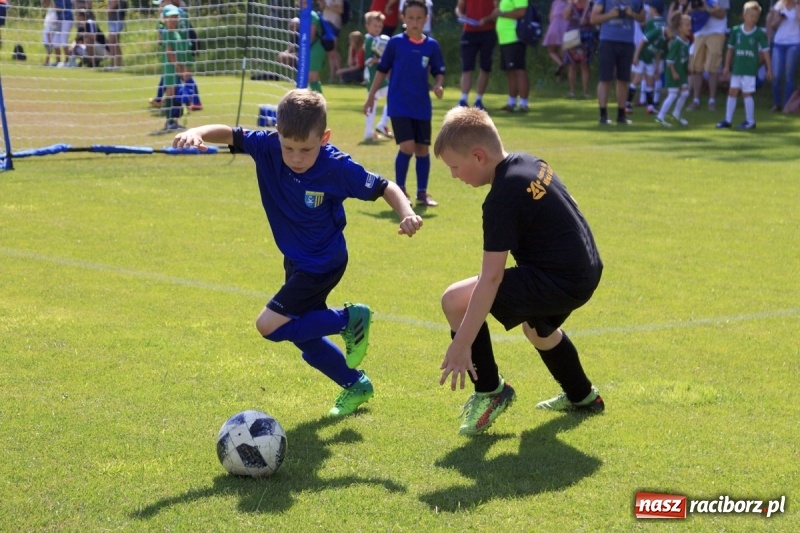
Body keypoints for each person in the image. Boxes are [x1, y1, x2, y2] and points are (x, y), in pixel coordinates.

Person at [172, 89, 424, 417]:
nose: (296, 157)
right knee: (305, 335)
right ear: (277, 134)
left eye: (306, 149)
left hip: (323, 262)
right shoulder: (267, 147)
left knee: (270, 326)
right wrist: (197, 132)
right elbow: (231, 133)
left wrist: (405, 213)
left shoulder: (336, 166)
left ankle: (349, 319)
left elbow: (384, 187)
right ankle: (355, 384)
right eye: (288, 147)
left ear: (325, 137)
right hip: (296, 260)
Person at [433, 107, 605, 436]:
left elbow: (492, 277)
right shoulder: (529, 162)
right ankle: (583, 396)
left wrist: (461, 344)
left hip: (559, 278)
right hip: (585, 267)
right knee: (537, 330)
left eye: (455, 167)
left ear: (479, 156)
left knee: (455, 300)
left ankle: (489, 391)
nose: (455, 176)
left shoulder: (501, 199)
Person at [364, 0, 445, 207]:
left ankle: (422, 193)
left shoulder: (431, 46)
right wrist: (371, 95)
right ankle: (399, 191)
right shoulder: (396, 43)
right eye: (411, 18)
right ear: (403, 19)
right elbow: (382, 70)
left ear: (426, 19)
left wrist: (438, 85)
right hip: (399, 104)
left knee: (422, 150)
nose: (415, 22)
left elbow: (439, 71)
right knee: (407, 146)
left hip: (422, 106)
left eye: (419, 18)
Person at [715, 1, 772, 130]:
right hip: (737, 69)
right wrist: (726, 66)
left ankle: (750, 121)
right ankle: (728, 120)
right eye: (752, 16)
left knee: (747, 93)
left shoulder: (758, 33)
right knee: (732, 91)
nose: (754, 19)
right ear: (744, 15)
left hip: (750, 69)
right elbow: (730, 49)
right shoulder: (736, 31)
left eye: (756, 17)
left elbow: (765, 51)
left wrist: (769, 68)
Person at [590, 0, 645, 124]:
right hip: (608, 40)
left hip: (627, 42)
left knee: (623, 79)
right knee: (605, 78)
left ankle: (621, 114)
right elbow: (593, 18)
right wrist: (611, 14)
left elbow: (642, 18)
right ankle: (603, 114)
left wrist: (632, 14)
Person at [454, 0, 497, 109]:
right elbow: (459, 8)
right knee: (467, 67)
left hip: (488, 31)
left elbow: (497, 10)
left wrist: (486, 19)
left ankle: (479, 100)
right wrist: (461, 16)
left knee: (485, 67)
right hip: (469, 32)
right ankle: (463, 100)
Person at [687, 0, 729, 111]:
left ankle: (712, 100)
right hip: (699, 32)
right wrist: (695, 9)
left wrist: (707, 9)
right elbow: (688, 11)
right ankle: (696, 100)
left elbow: (721, 14)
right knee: (696, 67)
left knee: (712, 67)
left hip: (717, 31)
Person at [492, 0, 531, 112]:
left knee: (519, 70)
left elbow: (521, 12)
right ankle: (512, 102)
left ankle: (524, 104)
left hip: (515, 37)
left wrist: (502, 13)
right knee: (510, 71)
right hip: (505, 39)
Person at [655, 12, 691, 127]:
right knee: (673, 95)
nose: (689, 27)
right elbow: (670, 60)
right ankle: (660, 117)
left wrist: (688, 67)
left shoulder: (687, 42)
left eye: (690, 25)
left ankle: (676, 114)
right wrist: (674, 72)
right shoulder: (676, 43)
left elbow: (684, 58)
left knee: (685, 93)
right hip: (673, 73)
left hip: (682, 74)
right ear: (680, 27)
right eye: (687, 25)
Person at [630, 0, 666, 114]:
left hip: (644, 54)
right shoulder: (663, 23)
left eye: (650, 7)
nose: (648, 9)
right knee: (650, 80)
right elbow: (659, 45)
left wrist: (635, 56)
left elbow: (643, 41)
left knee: (637, 79)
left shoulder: (651, 23)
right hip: (651, 56)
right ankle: (648, 105)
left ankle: (646, 105)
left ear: (654, 9)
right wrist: (656, 61)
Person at [160, 4, 191, 130]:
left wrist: (183, 66)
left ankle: (174, 121)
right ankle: (169, 121)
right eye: (170, 17)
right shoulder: (167, 33)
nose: (173, 19)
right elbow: (169, 51)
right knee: (171, 94)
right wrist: (178, 66)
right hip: (170, 68)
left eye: (175, 17)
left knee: (176, 94)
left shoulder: (176, 33)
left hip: (177, 68)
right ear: (165, 19)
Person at [363, 11, 392, 141]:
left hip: (374, 76)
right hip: (375, 75)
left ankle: (370, 132)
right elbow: (368, 60)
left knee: (373, 103)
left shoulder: (375, 39)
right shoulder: (370, 39)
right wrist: (382, 59)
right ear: (367, 26)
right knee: (394, 96)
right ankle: (382, 124)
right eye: (375, 26)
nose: (377, 29)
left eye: (379, 26)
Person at [766, 0, 800, 112]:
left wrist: (797, 5)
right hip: (778, 43)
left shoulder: (798, 5)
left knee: (789, 74)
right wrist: (779, 18)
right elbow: (773, 25)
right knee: (776, 75)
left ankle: (787, 105)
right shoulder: (779, 5)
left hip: (794, 42)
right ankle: (777, 103)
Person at [562, 0, 595, 98]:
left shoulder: (591, 4)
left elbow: (595, 19)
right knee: (572, 64)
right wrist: (571, 4)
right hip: (572, 36)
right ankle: (572, 91)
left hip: (587, 35)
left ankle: (585, 92)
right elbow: (565, 16)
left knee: (585, 64)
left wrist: (588, 21)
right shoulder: (572, 4)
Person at [543, 0, 570, 78]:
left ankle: (559, 64)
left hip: (554, 27)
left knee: (552, 51)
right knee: (564, 53)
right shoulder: (570, 2)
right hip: (566, 27)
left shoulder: (555, 2)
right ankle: (561, 75)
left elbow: (550, 17)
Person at [321, 0, 344, 82]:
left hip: (334, 24)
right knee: (329, 52)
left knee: (333, 50)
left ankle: (341, 76)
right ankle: (332, 77)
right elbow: (322, 7)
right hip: (325, 23)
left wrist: (328, 6)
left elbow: (340, 10)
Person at [105, 0, 126, 69]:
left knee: (111, 42)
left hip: (116, 21)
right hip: (114, 21)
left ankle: (112, 64)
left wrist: (108, 10)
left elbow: (111, 8)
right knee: (116, 43)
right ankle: (119, 64)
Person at [43, 0, 61, 66]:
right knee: (48, 45)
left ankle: (56, 61)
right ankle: (49, 61)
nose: (44, 3)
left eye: (45, 2)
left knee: (54, 44)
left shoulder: (54, 9)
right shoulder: (50, 9)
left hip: (52, 29)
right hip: (48, 29)